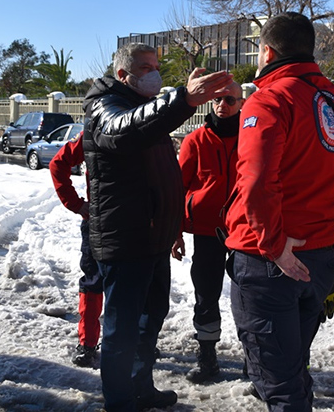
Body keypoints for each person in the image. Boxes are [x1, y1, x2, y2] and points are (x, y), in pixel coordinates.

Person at [83, 42, 232, 412]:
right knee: (123, 326)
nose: (154, 73)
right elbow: (124, 130)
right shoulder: (105, 105)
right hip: (125, 237)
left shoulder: (141, 107)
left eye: (156, 65)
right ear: (123, 75)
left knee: (150, 318)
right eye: (146, 67)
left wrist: (172, 229)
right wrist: (183, 98)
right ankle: (118, 400)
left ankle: (140, 386)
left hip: (153, 236)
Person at [225, 12, 334, 411]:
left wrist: (273, 244)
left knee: (278, 382)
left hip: (271, 261)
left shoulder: (269, 100)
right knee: (294, 369)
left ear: (267, 51)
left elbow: (256, 181)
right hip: (318, 254)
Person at [171, 82, 245, 384]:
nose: (222, 105)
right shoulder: (195, 140)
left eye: (229, 100)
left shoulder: (253, 138)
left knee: (250, 299)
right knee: (206, 295)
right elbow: (178, 188)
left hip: (246, 230)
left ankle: (253, 362)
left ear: (241, 103)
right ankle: (207, 357)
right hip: (206, 230)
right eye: (217, 100)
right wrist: (176, 232)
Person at [48, 130, 103, 368]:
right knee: (93, 283)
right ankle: (88, 343)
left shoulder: (144, 124)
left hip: (136, 223)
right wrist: (78, 205)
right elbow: (58, 164)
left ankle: (138, 341)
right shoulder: (93, 131)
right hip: (98, 223)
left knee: (135, 286)